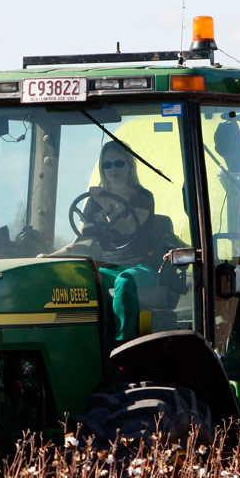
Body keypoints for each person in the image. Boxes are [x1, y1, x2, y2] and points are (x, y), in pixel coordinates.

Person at [82, 140, 158, 342]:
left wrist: (106, 205)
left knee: (124, 281)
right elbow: (82, 241)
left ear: (130, 165)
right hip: (108, 266)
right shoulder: (93, 202)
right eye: (107, 165)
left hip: (141, 266)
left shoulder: (143, 197)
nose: (112, 169)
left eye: (118, 163)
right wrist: (48, 257)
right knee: (80, 279)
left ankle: (122, 344)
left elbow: (127, 229)